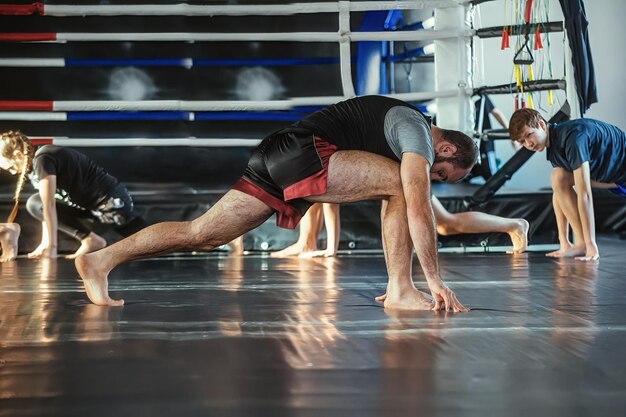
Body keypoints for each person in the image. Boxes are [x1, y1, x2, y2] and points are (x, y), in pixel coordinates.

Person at [75, 95, 478, 312]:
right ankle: (401, 290)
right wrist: (434, 279)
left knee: (201, 234)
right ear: (444, 148)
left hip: (276, 153)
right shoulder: (417, 130)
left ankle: (101, 260)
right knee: (404, 188)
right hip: (300, 150)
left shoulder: (408, 134)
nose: (434, 178)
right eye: (441, 173)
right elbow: (418, 206)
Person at [0, 131, 148, 260]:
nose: (13, 172)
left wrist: (52, 247)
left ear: (19, 155)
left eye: (11, 167)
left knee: (150, 244)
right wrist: (45, 244)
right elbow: (45, 205)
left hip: (110, 204)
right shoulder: (33, 168)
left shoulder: (43, 158)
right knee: (34, 203)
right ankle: (90, 240)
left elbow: (49, 205)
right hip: (87, 208)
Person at [509, 109, 626, 261]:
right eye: (522, 141)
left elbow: (584, 193)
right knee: (558, 177)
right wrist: (563, 242)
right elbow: (558, 191)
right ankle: (568, 244)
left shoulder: (573, 138)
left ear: (541, 124)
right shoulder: (553, 145)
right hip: (612, 178)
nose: (528, 144)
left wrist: (591, 246)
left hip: (621, 174)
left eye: (529, 135)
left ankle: (584, 243)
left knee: (562, 178)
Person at [271, 197, 528, 258]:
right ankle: (306, 242)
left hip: (403, 167)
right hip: (395, 166)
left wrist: (330, 249)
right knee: (445, 224)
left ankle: (513, 225)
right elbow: (316, 198)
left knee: (445, 225)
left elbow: (330, 201)